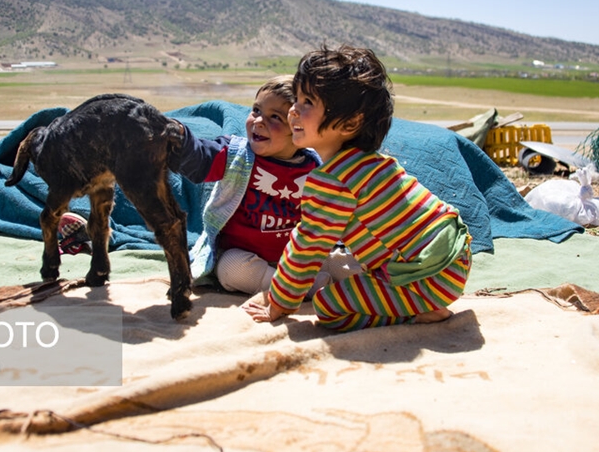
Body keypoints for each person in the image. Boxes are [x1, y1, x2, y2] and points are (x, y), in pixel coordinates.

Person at [244, 46, 472, 331]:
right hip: (455, 257)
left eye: (307, 103)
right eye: (297, 99)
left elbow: (308, 246)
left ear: (350, 123)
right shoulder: (374, 163)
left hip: (425, 277)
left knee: (328, 306)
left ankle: (417, 312)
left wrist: (279, 302)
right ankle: (414, 300)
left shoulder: (331, 181)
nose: (293, 110)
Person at [177, 76, 358, 295]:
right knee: (231, 270)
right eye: (256, 110)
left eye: (275, 117)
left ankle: (363, 287)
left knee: (346, 262)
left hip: (297, 256)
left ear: (299, 130)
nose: (259, 121)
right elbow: (200, 159)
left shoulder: (315, 165)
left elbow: (336, 207)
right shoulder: (235, 154)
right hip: (244, 254)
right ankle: (296, 289)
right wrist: (179, 138)